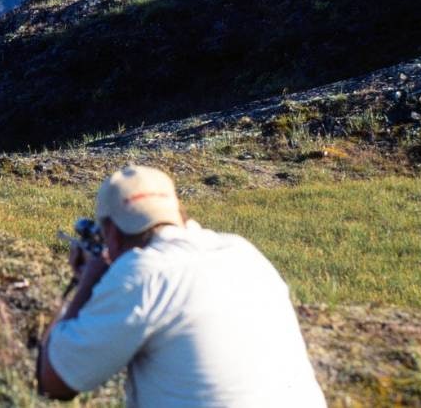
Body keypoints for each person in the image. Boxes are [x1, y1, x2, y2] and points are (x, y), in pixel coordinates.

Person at [37, 165, 326, 406]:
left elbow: (55, 381)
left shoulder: (141, 274)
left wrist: (85, 282)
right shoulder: (242, 251)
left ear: (110, 233)